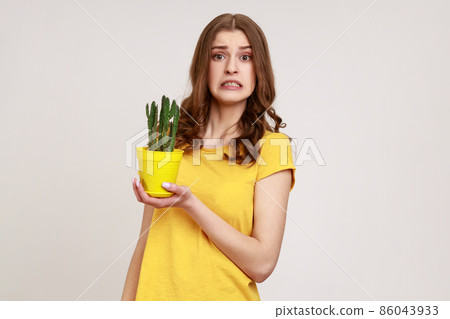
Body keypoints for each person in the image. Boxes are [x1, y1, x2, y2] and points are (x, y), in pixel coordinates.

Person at [121, 13, 296, 301]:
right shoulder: (169, 139)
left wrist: (191, 205)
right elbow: (145, 244)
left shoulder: (271, 148)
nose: (231, 68)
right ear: (204, 66)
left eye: (245, 57)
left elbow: (263, 264)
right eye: (218, 56)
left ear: (258, 69)